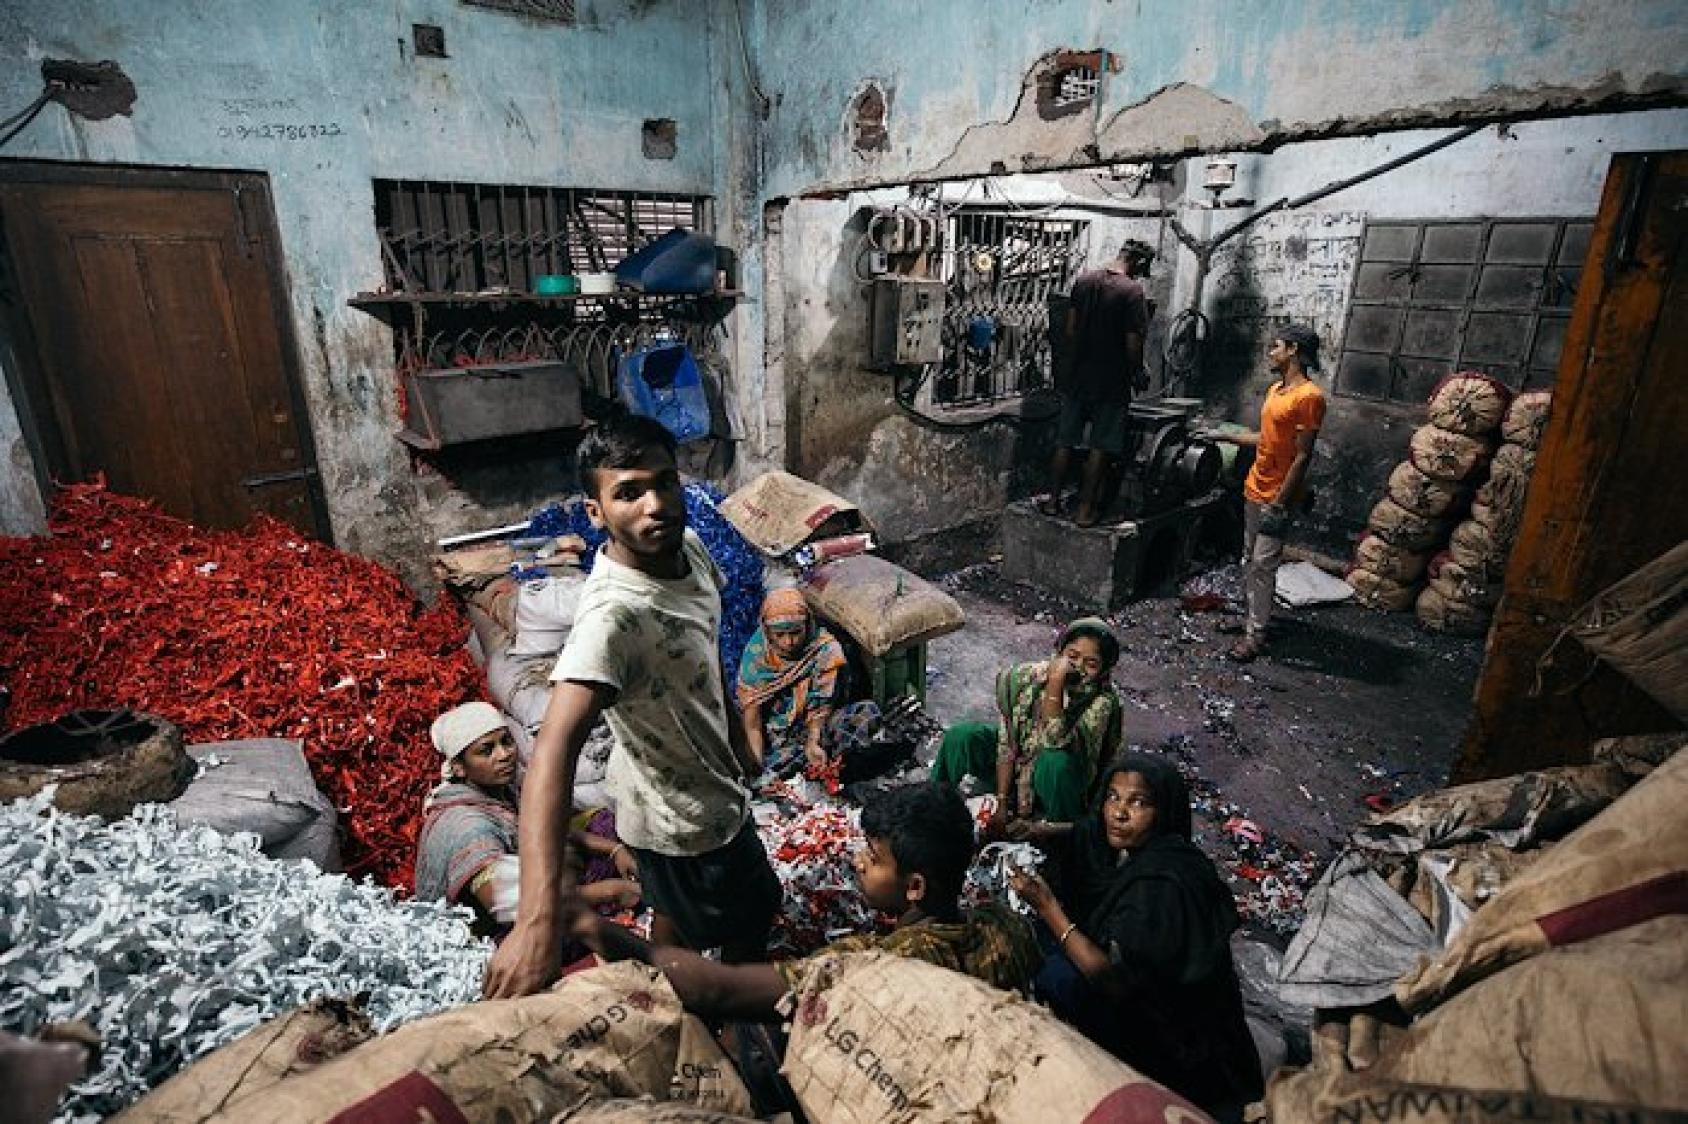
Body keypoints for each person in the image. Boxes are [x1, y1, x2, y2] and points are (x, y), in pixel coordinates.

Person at [482, 414, 782, 999]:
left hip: (675, 791)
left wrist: (735, 730)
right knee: (752, 917)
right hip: (686, 816)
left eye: (664, 482)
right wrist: (536, 918)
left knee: (677, 920)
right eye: (628, 493)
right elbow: (553, 751)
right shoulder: (611, 620)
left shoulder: (692, 551)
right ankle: (727, 1029)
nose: (656, 505)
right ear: (595, 513)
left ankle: (642, 971)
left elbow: (705, 643)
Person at [566, 782, 1041, 1022]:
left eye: (872, 858)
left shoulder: (881, 963)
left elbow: (721, 989)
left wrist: (598, 930)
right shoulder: (1004, 924)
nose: (857, 861)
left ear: (914, 887)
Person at [1008, 753, 1263, 1122]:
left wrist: (1049, 908)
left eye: (1138, 803)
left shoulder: (1162, 885)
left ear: (1164, 812)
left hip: (1175, 1045)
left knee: (1051, 968)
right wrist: (1041, 832)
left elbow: (1112, 982)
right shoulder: (1149, 850)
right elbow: (1087, 831)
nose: (1119, 813)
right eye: (1113, 797)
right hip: (1163, 1016)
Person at [414, 701, 640, 937]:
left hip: (523, 890)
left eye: (506, 741)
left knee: (602, 825)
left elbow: (543, 829)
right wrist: (610, 891)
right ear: (459, 768)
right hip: (493, 933)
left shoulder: (500, 791)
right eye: (486, 750)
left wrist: (614, 849)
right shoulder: (468, 826)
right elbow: (508, 901)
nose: (504, 755)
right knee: (572, 925)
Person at [930, 618, 1124, 842]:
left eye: (1090, 664)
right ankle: (931, 805)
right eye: (1072, 656)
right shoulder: (1027, 678)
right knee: (963, 736)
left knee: (1054, 762)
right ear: (1060, 652)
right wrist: (1001, 802)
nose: (1077, 667)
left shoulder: (1102, 702)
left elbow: (1056, 740)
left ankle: (1058, 841)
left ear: (1102, 669)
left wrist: (1055, 686)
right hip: (1017, 769)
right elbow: (1007, 740)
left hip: (1057, 786)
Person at [1211, 324, 1327, 662]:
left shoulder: (1309, 397)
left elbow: (1303, 455)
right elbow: (1266, 439)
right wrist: (1224, 435)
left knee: (1263, 564)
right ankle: (1251, 617)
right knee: (1250, 559)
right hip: (1255, 485)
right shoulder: (1276, 390)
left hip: (1278, 495)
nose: (1270, 353)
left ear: (1293, 350)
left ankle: (1256, 634)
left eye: (1275, 347)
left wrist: (1280, 502)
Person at [1042, 240, 1154, 527]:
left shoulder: (1084, 281)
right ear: (1139, 263)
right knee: (1099, 446)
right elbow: (1133, 344)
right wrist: (1138, 371)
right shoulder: (1132, 292)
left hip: (1078, 376)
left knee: (1065, 441)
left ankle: (1052, 502)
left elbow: (1069, 329)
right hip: (1111, 380)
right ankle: (1084, 511)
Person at [736, 588, 849, 777]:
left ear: (808, 624)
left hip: (819, 728)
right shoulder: (756, 656)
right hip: (777, 739)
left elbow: (821, 705)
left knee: (865, 715)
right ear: (767, 632)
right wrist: (757, 767)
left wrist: (813, 741)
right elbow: (752, 725)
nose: (789, 642)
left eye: (796, 633)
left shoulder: (825, 649)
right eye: (779, 635)